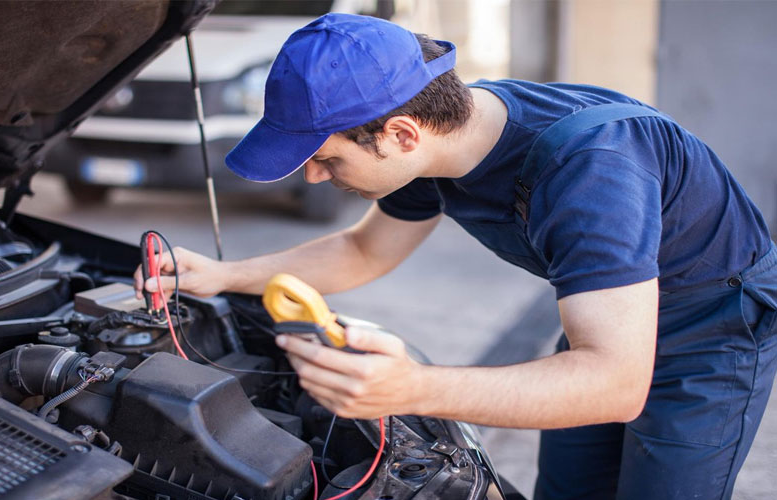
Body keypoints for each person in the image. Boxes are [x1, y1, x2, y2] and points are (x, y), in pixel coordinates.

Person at [133, 13, 777, 500]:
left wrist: (413, 387)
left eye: (327, 158)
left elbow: (614, 383)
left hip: (712, 332)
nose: (317, 178)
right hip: (609, 318)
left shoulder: (591, 170)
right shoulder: (444, 139)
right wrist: (222, 276)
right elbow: (362, 249)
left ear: (402, 134)